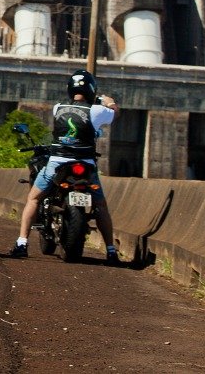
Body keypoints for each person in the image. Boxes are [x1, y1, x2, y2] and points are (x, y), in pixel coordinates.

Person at [9, 69, 120, 263]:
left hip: (57, 163)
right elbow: (115, 114)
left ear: (70, 89)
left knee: (34, 198)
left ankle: (22, 243)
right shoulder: (97, 111)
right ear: (92, 89)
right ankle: (111, 251)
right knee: (100, 205)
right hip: (85, 165)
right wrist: (110, 102)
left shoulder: (58, 107)